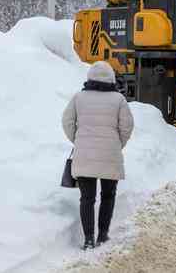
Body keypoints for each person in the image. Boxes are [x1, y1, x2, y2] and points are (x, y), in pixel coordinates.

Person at [62, 61, 134, 250]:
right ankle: (103, 235)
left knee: (87, 198)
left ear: (90, 77)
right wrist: (118, 143)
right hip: (110, 154)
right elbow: (127, 126)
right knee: (108, 195)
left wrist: (78, 140)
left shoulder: (79, 98)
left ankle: (88, 239)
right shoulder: (118, 99)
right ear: (111, 78)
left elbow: (67, 121)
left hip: (84, 155)